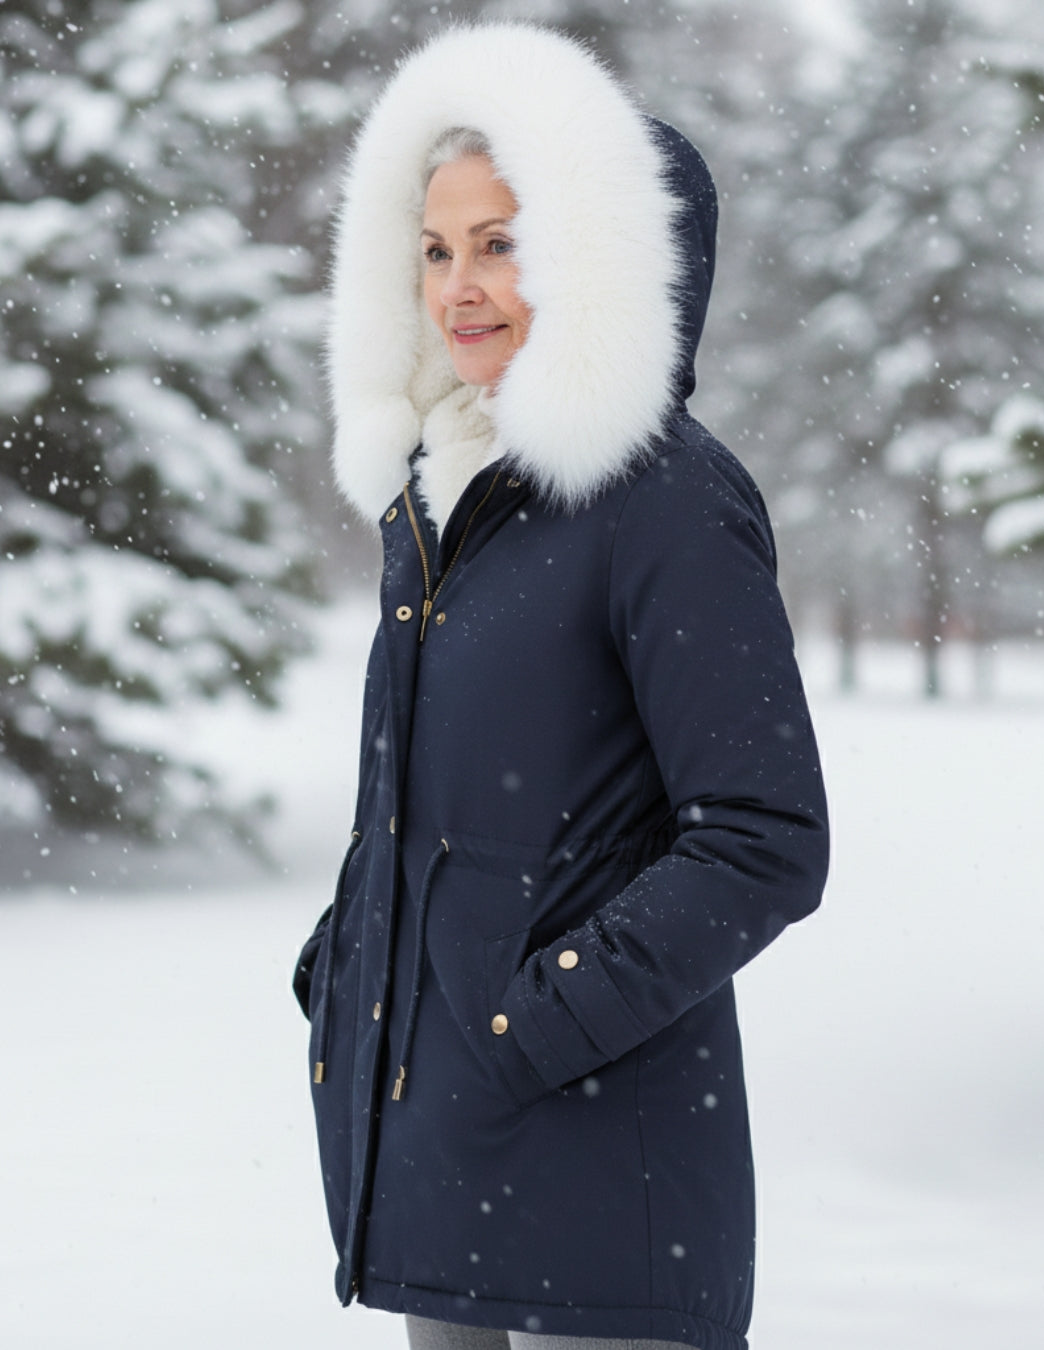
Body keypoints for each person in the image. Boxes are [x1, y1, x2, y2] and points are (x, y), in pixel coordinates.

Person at [293, 23, 829, 1350]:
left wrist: (531, 1025)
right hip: (440, 1162)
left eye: (502, 242)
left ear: (597, 258)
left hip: (602, 1181)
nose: (460, 287)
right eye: (436, 249)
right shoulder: (441, 505)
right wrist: (348, 963)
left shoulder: (665, 499)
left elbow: (763, 838)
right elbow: (433, 814)